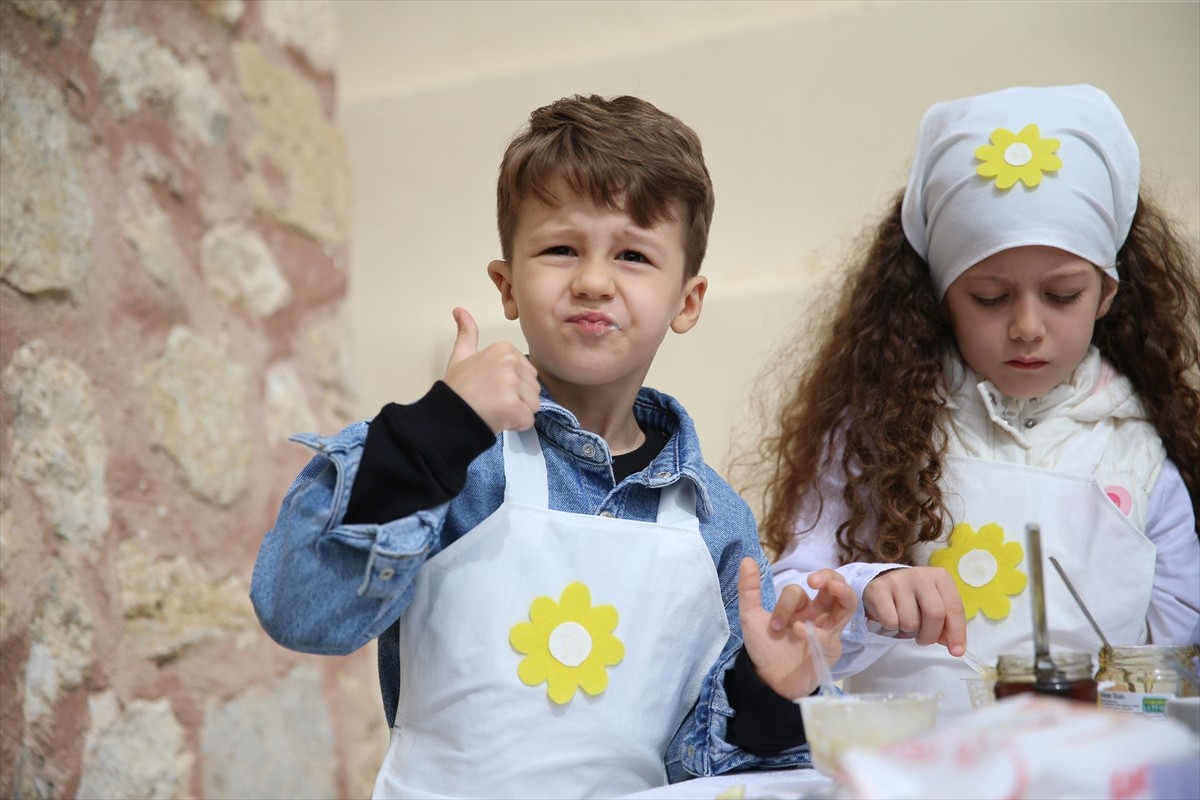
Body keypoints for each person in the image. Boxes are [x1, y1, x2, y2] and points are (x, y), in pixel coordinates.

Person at [250, 94, 857, 798]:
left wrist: (769, 697)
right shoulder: (447, 454)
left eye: (632, 255)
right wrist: (436, 430)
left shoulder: (716, 521)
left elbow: (709, 774)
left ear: (686, 302)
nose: (593, 281)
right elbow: (301, 612)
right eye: (560, 249)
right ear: (507, 286)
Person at [751, 84, 1200, 717]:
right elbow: (790, 605)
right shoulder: (879, 434)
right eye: (989, 297)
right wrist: (869, 589)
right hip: (914, 773)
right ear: (939, 297)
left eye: (1062, 295)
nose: (1026, 327)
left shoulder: (1144, 458)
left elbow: (1178, 660)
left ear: (1107, 294)